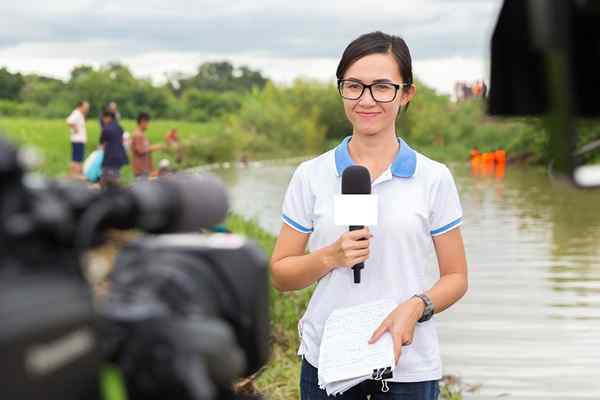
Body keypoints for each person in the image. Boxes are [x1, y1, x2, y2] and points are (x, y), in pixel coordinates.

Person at [271, 31, 468, 400]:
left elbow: (456, 277)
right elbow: (281, 273)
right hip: (328, 363)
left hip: (408, 364)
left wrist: (416, 306)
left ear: (406, 93)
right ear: (341, 89)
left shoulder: (434, 177)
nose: (367, 99)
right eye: (354, 86)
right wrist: (330, 257)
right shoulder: (310, 175)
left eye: (382, 87)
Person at [99, 111, 128, 187]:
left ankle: (116, 191)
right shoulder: (119, 127)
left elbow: (102, 142)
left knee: (108, 176)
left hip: (110, 157)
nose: (103, 121)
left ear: (108, 118)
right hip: (120, 155)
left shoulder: (106, 129)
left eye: (104, 119)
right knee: (115, 175)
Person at [131, 112, 162, 179]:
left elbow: (147, 151)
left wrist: (152, 169)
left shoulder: (142, 135)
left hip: (146, 170)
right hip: (140, 171)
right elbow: (140, 150)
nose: (148, 125)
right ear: (142, 122)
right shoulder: (137, 135)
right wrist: (154, 147)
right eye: (147, 122)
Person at [65, 100, 90, 178]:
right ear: (80, 106)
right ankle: (75, 175)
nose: (87, 109)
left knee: (77, 158)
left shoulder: (80, 114)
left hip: (79, 139)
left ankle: (74, 174)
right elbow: (68, 121)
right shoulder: (76, 113)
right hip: (78, 139)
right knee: (77, 159)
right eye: (85, 107)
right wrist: (75, 128)